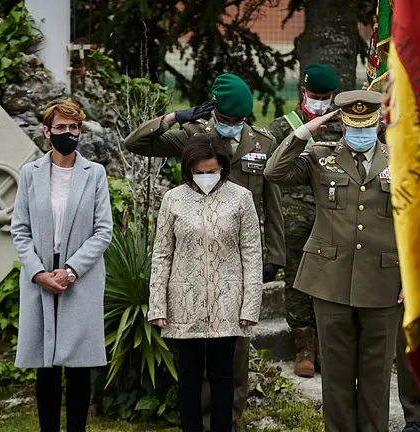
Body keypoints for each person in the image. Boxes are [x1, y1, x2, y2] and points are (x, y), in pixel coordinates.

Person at [125, 73, 283, 431]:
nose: (231, 126)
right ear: (214, 108)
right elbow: (135, 142)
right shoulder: (191, 136)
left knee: (233, 361)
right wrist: (174, 117)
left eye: (237, 121)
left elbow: (272, 203)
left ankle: (230, 423)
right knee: (194, 365)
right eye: (225, 119)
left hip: (238, 259)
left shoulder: (261, 142)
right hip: (191, 260)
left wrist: (275, 256)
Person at [264, 90, 403, 432]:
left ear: (377, 124)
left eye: (366, 127)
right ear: (342, 124)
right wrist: (304, 132)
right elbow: (273, 172)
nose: (360, 134)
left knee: (376, 378)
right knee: (336, 378)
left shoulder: (401, 161)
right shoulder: (319, 157)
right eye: (354, 126)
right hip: (330, 282)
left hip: (385, 282)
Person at [147, 133, 263, 432]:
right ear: (189, 170)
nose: (206, 177)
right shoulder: (173, 199)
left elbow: (251, 253)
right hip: (184, 303)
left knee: (223, 377)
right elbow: (162, 254)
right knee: (188, 378)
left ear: (222, 167)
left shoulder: (241, 198)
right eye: (199, 173)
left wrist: (251, 304)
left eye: (212, 172)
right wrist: (158, 304)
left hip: (228, 302)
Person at [11, 99, 113, 432]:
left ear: (80, 131)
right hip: (40, 275)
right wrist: (38, 272)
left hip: (78, 276)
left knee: (79, 367)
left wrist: (70, 270)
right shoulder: (29, 174)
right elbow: (20, 230)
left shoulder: (95, 174)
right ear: (46, 131)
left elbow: (103, 231)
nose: (67, 133)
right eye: (60, 128)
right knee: (47, 367)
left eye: (73, 127)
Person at [267, 63, 341, 378]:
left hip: (333, 215)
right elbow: (271, 173)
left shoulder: (343, 128)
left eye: (325, 97)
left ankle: (326, 345)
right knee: (297, 278)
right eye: (315, 95)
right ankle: (304, 347)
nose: (320, 101)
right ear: (303, 92)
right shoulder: (283, 127)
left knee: (330, 279)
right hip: (295, 217)